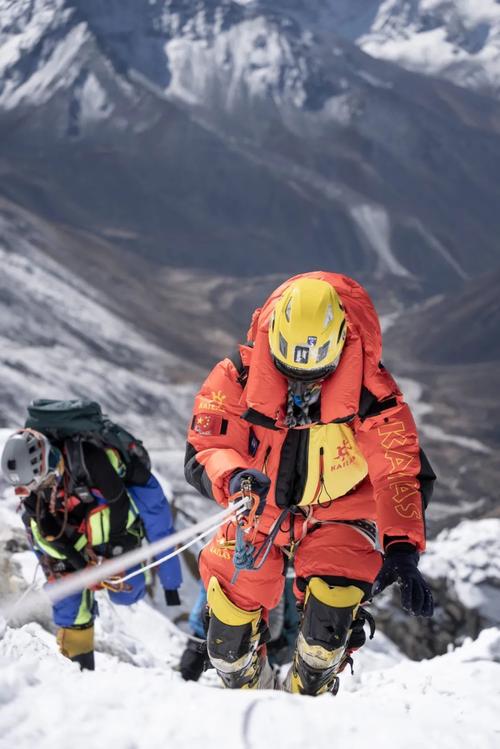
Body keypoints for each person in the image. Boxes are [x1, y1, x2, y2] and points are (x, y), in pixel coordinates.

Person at [184, 271, 435, 695]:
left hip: (340, 512)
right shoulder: (238, 374)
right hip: (256, 509)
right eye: (288, 369)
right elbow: (207, 443)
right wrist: (233, 475)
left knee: (329, 624)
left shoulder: (372, 390)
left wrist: (402, 548)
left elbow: (397, 468)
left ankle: (308, 697)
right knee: (226, 639)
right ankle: (249, 691)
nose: (302, 385)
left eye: (316, 372)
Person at [1, 423, 182, 670]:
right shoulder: (33, 492)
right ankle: (78, 671)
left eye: (40, 482)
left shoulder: (91, 460)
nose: (38, 490)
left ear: (48, 462)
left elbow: (133, 511)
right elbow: (47, 535)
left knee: (127, 592)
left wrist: (168, 582)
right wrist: (81, 568)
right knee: (68, 600)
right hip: (74, 535)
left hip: (112, 529)